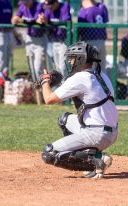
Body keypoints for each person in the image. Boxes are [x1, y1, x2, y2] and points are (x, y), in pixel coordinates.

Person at [41, 41, 118, 179]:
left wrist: (45, 81)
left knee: (49, 153)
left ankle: (95, 162)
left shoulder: (80, 77)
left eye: (72, 58)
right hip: (110, 132)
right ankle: (93, 155)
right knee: (64, 119)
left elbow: (48, 99)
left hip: (96, 133)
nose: (70, 62)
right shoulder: (102, 75)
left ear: (80, 59)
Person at [12, 0, 46, 83]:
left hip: (40, 39)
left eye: (26, 2)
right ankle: (36, 89)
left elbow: (37, 21)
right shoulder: (23, 6)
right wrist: (16, 19)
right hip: (29, 38)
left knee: (38, 67)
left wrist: (22, 20)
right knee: (31, 67)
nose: (24, 4)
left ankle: (43, 89)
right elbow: (15, 19)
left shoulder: (39, 6)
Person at [77, 0, 109, 71]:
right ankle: (102, 82)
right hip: (101, 42)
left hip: (90, 43)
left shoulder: (84, 11)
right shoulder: (101, 9)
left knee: (90, 69)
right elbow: (106, 21)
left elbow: (79, 30)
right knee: (101, 69)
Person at [43, 0, 71, 78]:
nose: (49, 8)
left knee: (63, 67)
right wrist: (43, 19)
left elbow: (65, 21)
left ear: (56, 3)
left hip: (64, 41)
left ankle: (66, 86)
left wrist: (49, 22)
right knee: (57, 67)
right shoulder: (49, 10)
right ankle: (60, 86)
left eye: (50, 6)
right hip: (54, 41)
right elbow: (45, 18)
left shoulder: (64, 7)